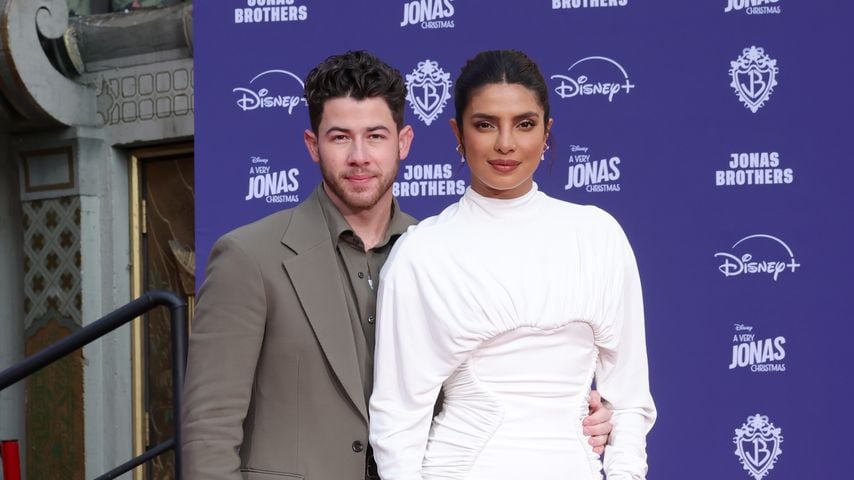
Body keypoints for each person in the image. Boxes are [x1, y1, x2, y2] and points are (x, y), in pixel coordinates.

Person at [181, 50, 614, 480]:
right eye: (339, 137)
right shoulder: (249, 257)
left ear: (403, 142)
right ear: (313, 146)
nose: (359, 156)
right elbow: (209, 430)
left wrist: (582, 412)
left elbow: (486, 384)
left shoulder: (437, 251)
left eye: (375, 136)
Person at [369, 50, 656, 480]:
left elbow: (630, 400)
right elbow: (398, 418)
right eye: (485, 124)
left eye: (524, 124)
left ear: (547, 132)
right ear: (458, 133)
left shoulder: (598, 236)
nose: (506, 143)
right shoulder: (422, 252)